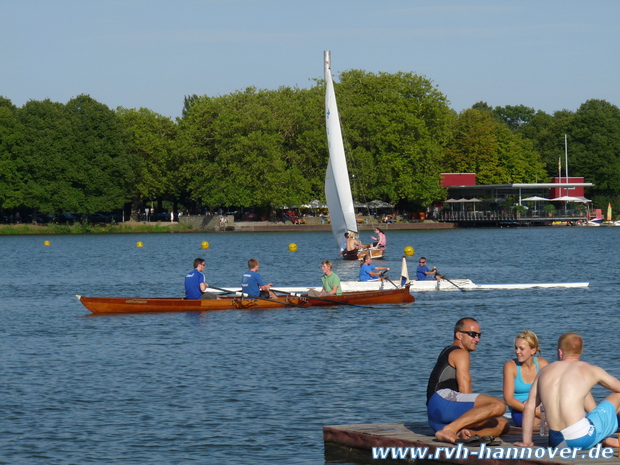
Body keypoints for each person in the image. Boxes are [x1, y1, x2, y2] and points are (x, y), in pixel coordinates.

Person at [515, 333, 620, 449]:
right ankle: (604, 439)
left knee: (584, 398)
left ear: (560, 352)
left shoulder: (544, 371)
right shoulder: (590, 370)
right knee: (618, 396)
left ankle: (603, 439)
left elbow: (529, 406)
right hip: (581, 439)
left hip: (556, 441)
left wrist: (526, 442)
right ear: (580, 352)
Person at [426, 317, 509, 443]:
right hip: (441, 402)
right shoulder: (460, 353)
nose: (477, 339)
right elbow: (465, 392)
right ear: (459, 335)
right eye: (472, 334)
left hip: (436, 419)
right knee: (499, 405)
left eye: (479, 335)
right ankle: (450, 429)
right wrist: (481, 415)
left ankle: (465, 433)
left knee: (502, 423)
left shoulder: (447, 350)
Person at [502, 330, 548, 427]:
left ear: (533, 350)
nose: (517, 352)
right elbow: (508, 399)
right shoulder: (510, 366)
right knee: (534, 420)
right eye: (516, 348)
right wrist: (533, 410)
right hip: (520, 409)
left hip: (539, 406)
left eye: (521, 349)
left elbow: (551, 391)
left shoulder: (542, 364)